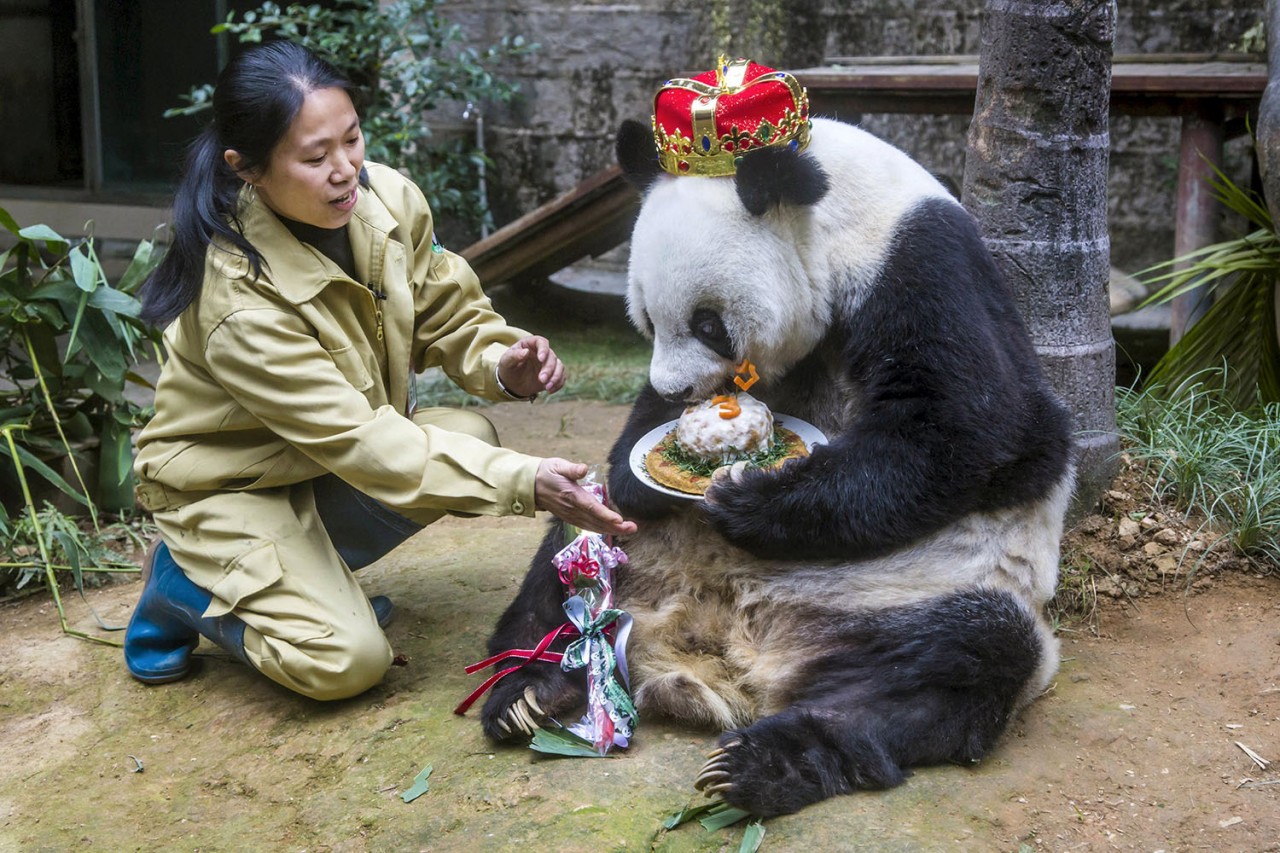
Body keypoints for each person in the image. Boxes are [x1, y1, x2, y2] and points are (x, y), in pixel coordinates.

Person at [125, 40, 635, 701]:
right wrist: (529, 481)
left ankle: (303, 584)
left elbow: (448, 314)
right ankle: (185, 585)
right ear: (246, 168)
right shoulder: (238, 300)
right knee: (347, 662)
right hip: (229, 488)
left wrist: (502, 363)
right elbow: (364, 442)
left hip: (311, 464)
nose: (345, 170)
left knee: (471, 436)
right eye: (314, 157)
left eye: (352, 139)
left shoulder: (387, 198)